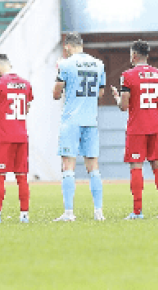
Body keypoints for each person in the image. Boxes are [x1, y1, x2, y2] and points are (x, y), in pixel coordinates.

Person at [111, 40, 158, 219]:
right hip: (154, 126)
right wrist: (152, 102)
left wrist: (116, 97)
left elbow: (124, 106)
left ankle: (137, 211)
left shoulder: (127, 75)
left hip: (137, 127)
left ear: (134, 55)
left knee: (136, 167)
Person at [53, 32, 106, 222]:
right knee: (93, 167)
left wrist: (59, 72)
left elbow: (56, 94)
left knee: (68, 166)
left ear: (67, 47)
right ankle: (98, 211)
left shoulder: (65, 64)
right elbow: (100, 92)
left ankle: (69, 213)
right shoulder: (99, 64)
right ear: (82, 45)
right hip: (90, 120)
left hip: (71, 121)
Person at [0, 54, 34, 224]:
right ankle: (24, 215)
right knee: (22, 176)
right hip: (21, 135)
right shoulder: (26, 84)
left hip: (4, 136)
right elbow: (27, 107)